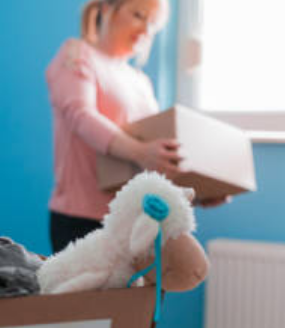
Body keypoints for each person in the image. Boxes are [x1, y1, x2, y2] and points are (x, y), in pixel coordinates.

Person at [45, 0, 225, 254]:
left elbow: (154, 158)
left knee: (141, 295)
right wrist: (140, 151)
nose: (145, 30)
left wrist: (199, 191)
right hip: (82, 218)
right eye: (139, 15)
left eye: (153, 24)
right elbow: (80, 115)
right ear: (107, 9)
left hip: (137, 221)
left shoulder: (140, 82)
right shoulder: (76, 54)